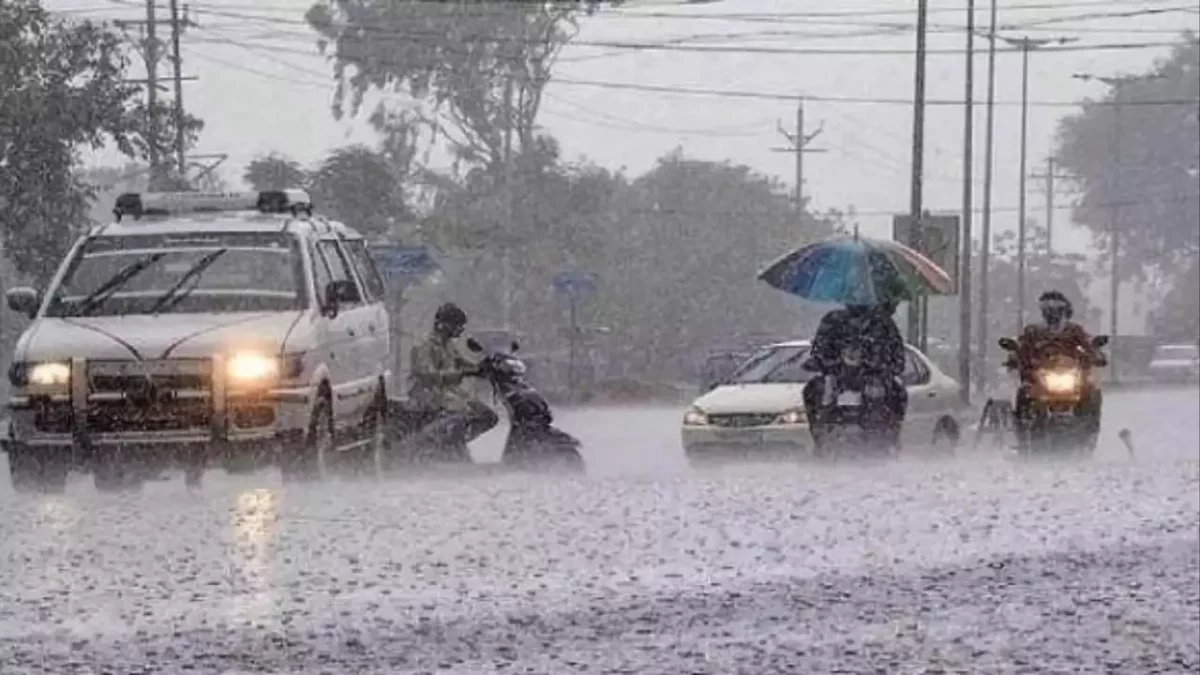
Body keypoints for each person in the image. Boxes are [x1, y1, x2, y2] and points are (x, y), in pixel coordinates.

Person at [802, 292, 908, 450]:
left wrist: (880, 368)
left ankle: (890, 436)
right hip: (837, 378)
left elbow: (898, 358)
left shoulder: (883, 323)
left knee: (899, 393)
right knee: (810, 390)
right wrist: (828, 365)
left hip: (875, 378)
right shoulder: (833, 321)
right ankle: (820, 434)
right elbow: (819, 351)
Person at [1007, 290, 1105, 442]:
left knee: (1092, 393)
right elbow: (1021, 347)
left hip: (1072, 377)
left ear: (1064, 310)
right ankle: (1023, 432)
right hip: (1039, 379)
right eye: (1047, 309)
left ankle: (1090, 431)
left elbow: (1088, 345)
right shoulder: (1033, 331)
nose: (1052, 313)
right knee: (1025, 394)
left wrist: (1097, 355)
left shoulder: (1074, 330)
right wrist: (1014, 357)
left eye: (1056, 309)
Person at [408, 302, 498, 460]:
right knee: (461, 414)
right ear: (444, 325)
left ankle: (452, 441)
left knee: (487, 415)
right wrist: (459, 374)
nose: (459, 331)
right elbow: (428, 376)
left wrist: (482, 367)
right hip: (429, 395)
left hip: (451, 394)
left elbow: (463, 362)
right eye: (457, 326)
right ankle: (429, 442)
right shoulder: (424, 345)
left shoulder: (449, 345)